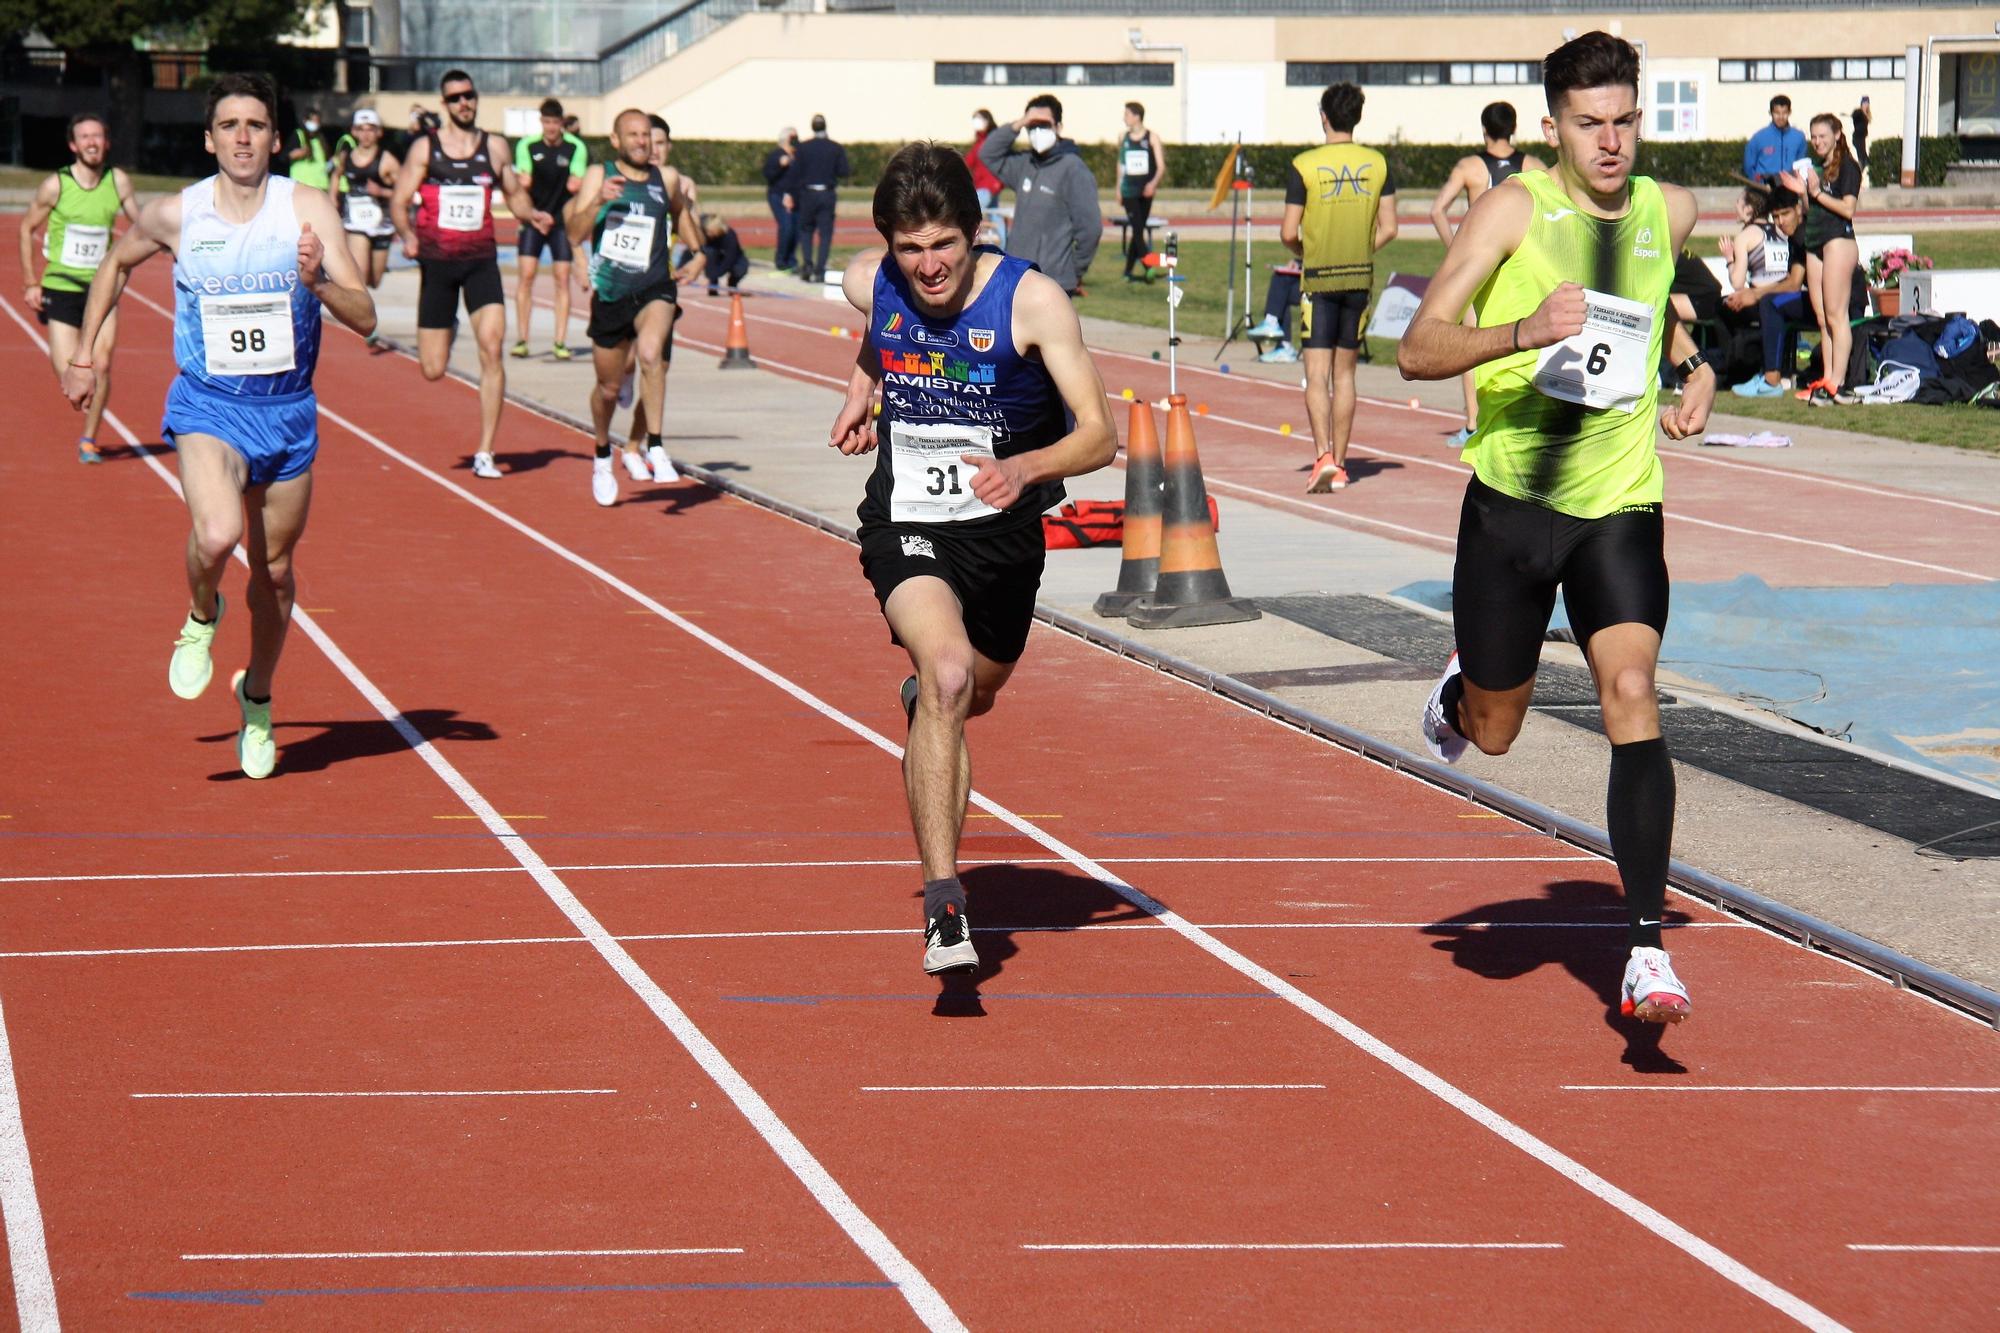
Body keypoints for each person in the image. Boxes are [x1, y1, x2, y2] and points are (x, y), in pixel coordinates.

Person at [1397, 31, 1714, 1027]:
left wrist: (1695, 368)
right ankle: (1464, 687)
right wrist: (1523, 330)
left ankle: (1643, 953)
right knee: (1493, 732)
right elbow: (1414, 347)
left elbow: (1669, 303)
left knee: (1630, 692)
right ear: (1552, 127)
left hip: (1617, 502)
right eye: (1589, 124)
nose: (1610, 142)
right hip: (1508, 509)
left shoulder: (1670, 208)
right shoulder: (1510, 210)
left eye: (1623, 121)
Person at [830, 142, 1115, 975]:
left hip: (1003, 531)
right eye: (909, 249)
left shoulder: (1032, 302)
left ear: (976, 230)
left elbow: (1100, 433)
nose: (927, 267)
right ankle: (944, 903)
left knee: (968, 694)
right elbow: (878, 324)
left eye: (944, 245)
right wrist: (862, 382)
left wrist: (1026, 467)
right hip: (907, 521)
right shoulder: (869, 278)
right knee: (950, 674)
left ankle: (931, 700)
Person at [60, 72, 375, 779]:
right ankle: (202, 613)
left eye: (255, 125)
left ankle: (257, 697)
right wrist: (84, 355)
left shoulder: (307, 209)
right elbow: (114, 263)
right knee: (216, 533)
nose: (242, 137)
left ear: (275, 138)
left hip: (288, 414)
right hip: (208, 405)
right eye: (229, 125)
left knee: (279, 574)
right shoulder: (181, 214)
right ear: (209, 139)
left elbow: (366, 316)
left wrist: (318, 281)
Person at [388, 70, 551, 479]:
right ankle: (452, 323)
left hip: (481, 261)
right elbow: (399, 200)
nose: (464, 103)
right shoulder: (426, 149)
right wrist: (407, 234)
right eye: (456, 97)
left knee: (493, 349)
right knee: (432, 368)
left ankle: (485, 452)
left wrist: (532, 215)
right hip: (438, 265)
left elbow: (513, 193)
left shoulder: (494, 147)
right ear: (445, 104)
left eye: (469, 96)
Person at [566, 107, 705, 506]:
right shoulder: (599, 174)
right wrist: (597, 203)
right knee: (608, 388)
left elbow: (681, 212)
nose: (642, 142)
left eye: (646, 135)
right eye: (633, 135)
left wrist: (697, 253)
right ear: (616, 140)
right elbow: (574, 233)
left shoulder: (667, 178)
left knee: (651, 355)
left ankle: (655, 445)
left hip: (654, 286)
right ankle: (601, 453)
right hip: (611, 294)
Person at [1280, 82, 1398, 493]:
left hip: (1319, 280)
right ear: (1357, 117)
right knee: (1345, 375)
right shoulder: (1378, 163)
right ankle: (1343, 464)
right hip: (1358, 280)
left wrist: (1304, 251)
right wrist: (1364, 250)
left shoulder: (1304, 165)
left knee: (1316, 375)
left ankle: (1322, 456)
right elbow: (1391, 228)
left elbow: (1287, 231)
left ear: (1324, 117)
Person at [18, 111, 140, 463]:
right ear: (73, 145)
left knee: (101, 365)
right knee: (68, 368)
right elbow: (26, 228)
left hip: (102, 287)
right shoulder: (56, 184)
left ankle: (89, 439)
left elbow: (141, 223)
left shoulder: (117, 181)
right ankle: (82, 397)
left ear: (107, 142)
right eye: (85, 137)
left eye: (98, 136)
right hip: (61, 285)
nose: (92, 142)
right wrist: (30, 282)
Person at [1428, 101, 1547, 446]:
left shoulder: (1470, 167)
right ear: (1514, 128)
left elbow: (1437, 210)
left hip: (1479, 263)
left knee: (1471, 342)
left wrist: (1456, 249)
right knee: (1523, 336)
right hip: (1520, 262)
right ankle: (1523, 414)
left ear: (1484, 129)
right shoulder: (1534, 166)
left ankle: (1472, 421)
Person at [978, 95, 1101, 296]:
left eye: (1043, 124)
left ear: (1058, 127)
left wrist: (1074, 270)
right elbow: (988, 153)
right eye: (1032, 126)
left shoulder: (1073, 169)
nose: (1037, 131)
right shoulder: (1025, 163)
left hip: (1053, 280)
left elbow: (1091, 228)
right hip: (1017, 275)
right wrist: (1019, 123)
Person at [1781, 114, 1861, 406]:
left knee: (1837, 315)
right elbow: (1808, 209)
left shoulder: (1848, 168)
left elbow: (1848, 209)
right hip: (1813, 242)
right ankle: (1826, 379)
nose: (1817, 142)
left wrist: (1815, 191)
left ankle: (1838, 383)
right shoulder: (1815, 168)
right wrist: (1802, 193)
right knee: (1822, 318)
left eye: (1823, 136)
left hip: (1838, 240)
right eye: (1813, 137)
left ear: (1837, 135)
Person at [511, 97, 588, 360]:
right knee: (527, 275)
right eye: (546, 122)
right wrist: (530, 207)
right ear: (541, 122)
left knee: (562, 278)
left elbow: (576, 184)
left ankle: (560, 341)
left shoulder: (575, 147)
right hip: (534, 219)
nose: (551, 128)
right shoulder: (527, 145)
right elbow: (523, 179)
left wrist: (577, 183)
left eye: (555, 122)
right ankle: (522, 338)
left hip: (560, 222)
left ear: (562, 123)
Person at [1725, 185, 1808, 396]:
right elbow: (1791, 280)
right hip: (1817, 299)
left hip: (1833, 302)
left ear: (1798, 209)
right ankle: (1765, 373)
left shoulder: (1803, 234)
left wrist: (1753, 293)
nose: (1781, 222)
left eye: (1785, 214)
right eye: (1776, 216)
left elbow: (1794, 283)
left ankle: (1770, 380)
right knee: (1771, 302)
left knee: (1769, 304)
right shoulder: (1792, 237)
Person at [332, 109, 399, 306]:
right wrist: (333, 198)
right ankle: (364, 322)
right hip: (356, 223)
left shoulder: (387, 160)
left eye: (371, 129)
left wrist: (382, 192)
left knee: (375, 280)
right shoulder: (347, 157)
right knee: (359, 277)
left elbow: (405, 192)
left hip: (382, 224)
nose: (366, 134)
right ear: (354, 132)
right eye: (361, 129)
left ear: (379, 132)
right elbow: (337, 175)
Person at [790, 114, 851, 284]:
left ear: (812, 127)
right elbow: (844, 171)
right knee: (825, 233)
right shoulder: (835, 148)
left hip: (808, 193)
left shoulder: (803, 148)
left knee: (806, 230)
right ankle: (819, 269)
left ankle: (807, 264)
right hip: (826, 193)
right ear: (825, 126)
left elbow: (795, 172)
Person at [1117, 101, 1166, 282]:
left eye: (1127, 114)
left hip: (1146, 191)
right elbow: (1121, 164)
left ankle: (1128, 271)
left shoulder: (1152, 137)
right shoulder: (1124, 137)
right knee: (1138, 230)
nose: (1124, 118)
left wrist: (1152, 184)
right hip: (1129, 190)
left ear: (1137, 116)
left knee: (1138, 229)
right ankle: (1149, 267)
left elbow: (1160, 167)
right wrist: (1118, 188)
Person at [1742, 95, 1807, 184]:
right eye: (1777, 113)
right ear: (1770, 113)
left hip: (1790, 188)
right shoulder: (1758, 138)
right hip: (1764, 189)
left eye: (1784, 112)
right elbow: (1748, 166)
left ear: (1790, 112)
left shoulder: (1799, 137)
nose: (1781, 117)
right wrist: (1759, 182)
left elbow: (1801, 165)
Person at [966, 109, 1005, 247]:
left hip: (988, 186)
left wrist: (997, 183)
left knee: (971, 213)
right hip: (983, 185)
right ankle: (1003, 246)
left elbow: (1001, 160)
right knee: (995, 214)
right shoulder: (979, 141)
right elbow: (969, 161)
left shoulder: (993, 140)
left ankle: (970, 244)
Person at [762, 127, 799, 272]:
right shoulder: (776, 155)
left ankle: (791, 259)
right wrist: (780, 165)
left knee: (796, 228)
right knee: (786, 226)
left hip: (795, 196)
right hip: (778, 195)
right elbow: (768, 175)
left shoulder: (797, 155)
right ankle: (781, 260)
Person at [287, 104, 332, 194]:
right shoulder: (298, 135)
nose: (314, 123)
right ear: (305, 121)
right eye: (312, 120)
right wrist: (299, 153)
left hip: (321, 187)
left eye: (317, 121)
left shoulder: (321, 139)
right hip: (303, 186)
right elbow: (285, 156)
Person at [700, 214, 749, 294]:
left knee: (741, 268)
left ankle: (732, 284)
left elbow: (730, 258)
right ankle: (713, 284)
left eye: (711, 231)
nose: (708, 234)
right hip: (716, 258)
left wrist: (717, 273)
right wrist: (711, 274)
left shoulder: (730, 236)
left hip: (733, 259)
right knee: (710, 252)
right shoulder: (706, 236)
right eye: (707, 231)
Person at [1851, 96, 1871, 168]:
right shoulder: (1858, 112)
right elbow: (1855, 115)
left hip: (1862, 138)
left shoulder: (1867, 114)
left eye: (1867, 103)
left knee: (1864, 158)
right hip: (1857, 138)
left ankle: (1860, 172)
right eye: (1864, 103)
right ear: (1861, 104)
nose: (1866, 105)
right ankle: (1858, 173)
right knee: (1861, 158)